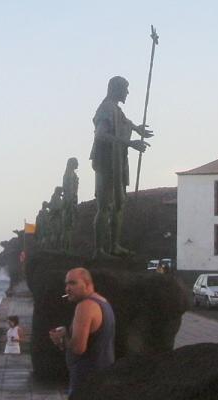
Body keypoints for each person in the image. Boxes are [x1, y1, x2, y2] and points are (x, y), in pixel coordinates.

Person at [90, 76, 153, 256]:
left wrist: (137, 129)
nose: (127, 92)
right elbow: (100, 135)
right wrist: (130, 143)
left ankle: (114, 246)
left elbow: (125, 122)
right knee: (104, 206)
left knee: (119, 204)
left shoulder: (116, 110)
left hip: (118, 163)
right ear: (116, 89)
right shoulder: (106, 108)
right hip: (106, 163)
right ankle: (99, 250)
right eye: (125, 89)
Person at [49, 267, 115, 397]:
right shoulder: (102, 301)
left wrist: (62, 337)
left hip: (86, 380)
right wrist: (66, 335)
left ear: (88, 284)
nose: (67, 288)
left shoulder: (85, 306)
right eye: (66, 284)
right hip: (102, 375)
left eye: (73, 283)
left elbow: (78, 348)